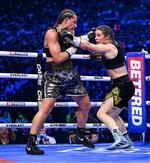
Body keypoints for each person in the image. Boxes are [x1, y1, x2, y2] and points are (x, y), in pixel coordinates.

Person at [25, 9, 94, 155]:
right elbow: (58, 57)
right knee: (46, 107)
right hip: (53, 74)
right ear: (66, 19)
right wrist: (75, 47)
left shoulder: (70, 34)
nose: (75, 25)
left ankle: (80, 135)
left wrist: (87, 37)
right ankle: (31, 143)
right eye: (74, 22)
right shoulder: (52, 33)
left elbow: (77, 44)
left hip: (70, 73)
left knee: (86, 105)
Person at [64, 25, 135, 149]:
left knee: (101, 113)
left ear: (107, 36)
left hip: (121, 86)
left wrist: (72, 38)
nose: (96, 38)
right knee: (113, 115)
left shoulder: (108, 47)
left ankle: (119, 138)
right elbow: (96, 52)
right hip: (125, 86)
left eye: (99, 35)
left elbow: (89, 46)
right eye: (95, 35)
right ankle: (127, 140)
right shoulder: (114, 46)